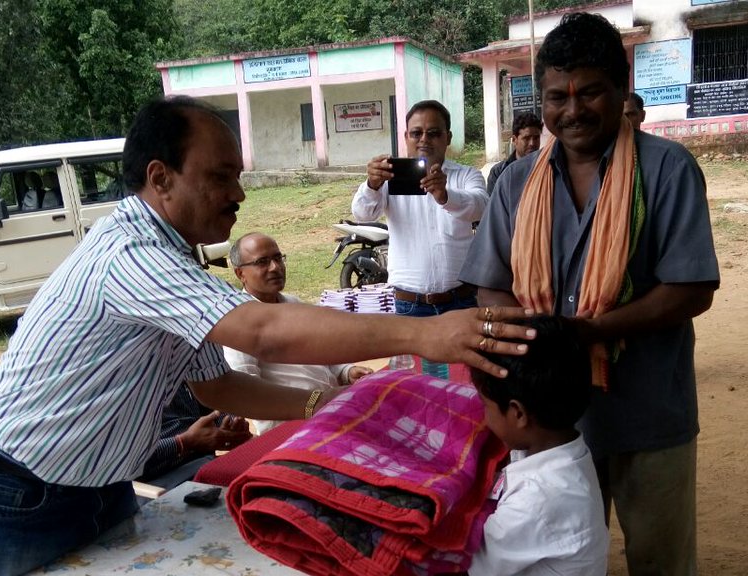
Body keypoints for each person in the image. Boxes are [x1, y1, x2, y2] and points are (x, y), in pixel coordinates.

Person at [0, 96, 533, 576]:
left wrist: (318, 408)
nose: (239, 193)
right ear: (160, 178)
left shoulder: (174, 260)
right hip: (16, 493)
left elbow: (216, 386)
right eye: (221, 176)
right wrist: (427, 332)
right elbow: (261, 331)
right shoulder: (131, 255)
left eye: (238, 175)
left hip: (94, 487)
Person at [460, 13, 718, 576]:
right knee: (572, 572)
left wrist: (590, 331)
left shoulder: (668, 170)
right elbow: (490, 289)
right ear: (540, 99)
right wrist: (533, 339)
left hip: (649, 412)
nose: (572, 110)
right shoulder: (516, 182)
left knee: (662, 575)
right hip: (555, 422)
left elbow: (691, 288)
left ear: (622, 88)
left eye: (590, 91)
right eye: (556, 96)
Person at [444, 315, 609, 576]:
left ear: (518, 413)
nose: (483, 417)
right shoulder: (560, 455)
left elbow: (471, 560)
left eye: (487, 407)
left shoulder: (543, 495)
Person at [222, 232, 372, 434]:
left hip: (332, 408)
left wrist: (346, 371)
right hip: (293, 427)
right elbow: (248, 390)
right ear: (240, 274)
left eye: (278, 258)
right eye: (262, 262)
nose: (275, 267)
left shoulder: (292, 304)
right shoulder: (238, 323)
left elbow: (322, 351)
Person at [352, 100, 488, 317]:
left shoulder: (466, 175)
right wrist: (372, 185)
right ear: (406, 137)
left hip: (461, 300)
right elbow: (362, 213)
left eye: (434, 133)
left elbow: (481, 207)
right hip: (410, 304)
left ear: (448, 137)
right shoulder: (388, 177)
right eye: (417, 133)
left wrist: (446, 196)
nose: (424, 139)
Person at [137, 382, 251, 488]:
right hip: (158, 485)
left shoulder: (176, 370)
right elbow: (127, 459)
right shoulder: (126, 387)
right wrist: (183, 442)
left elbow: (209, 408)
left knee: (261, 472)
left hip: (204, 465)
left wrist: (230, 424)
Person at [487, 111, 544, 196]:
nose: (532, 143)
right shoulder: (498, 172)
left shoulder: (548, 167)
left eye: (536, 138)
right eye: (526, 138)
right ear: (514, 140)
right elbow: (493, 206)